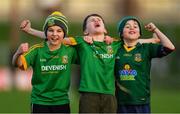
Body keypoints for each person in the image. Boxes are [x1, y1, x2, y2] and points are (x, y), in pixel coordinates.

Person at [18, 13, 160, 113]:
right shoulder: (80, 42)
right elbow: (55, 37)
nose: (96, 20)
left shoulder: (114, 44)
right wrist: (30, 30)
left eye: (99, 19)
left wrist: (152, 40)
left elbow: (133, 41)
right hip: (89, 95)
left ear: (105, 29)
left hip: (110, 95)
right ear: (85, 31)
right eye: (92, 20)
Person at [12, 11, 77, 113]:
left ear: (64, 33)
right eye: (51, 30)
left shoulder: (70, 50)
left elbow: (82, 42)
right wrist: (18, 53)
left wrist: (30, 30)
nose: (55, 34)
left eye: (59, 31)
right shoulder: (37, 50)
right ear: (46, 32)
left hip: (62, 102)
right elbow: (17, 64)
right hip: (39, 102)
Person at [115, 16, 175, 113]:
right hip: (120, 102)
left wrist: (155, 30)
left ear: (139, 33)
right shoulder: (115, 48)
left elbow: (170, 47)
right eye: (127, 26)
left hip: (141, 101)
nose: (132, 28)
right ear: (121, 33)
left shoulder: (146, 48)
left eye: (135, 26)